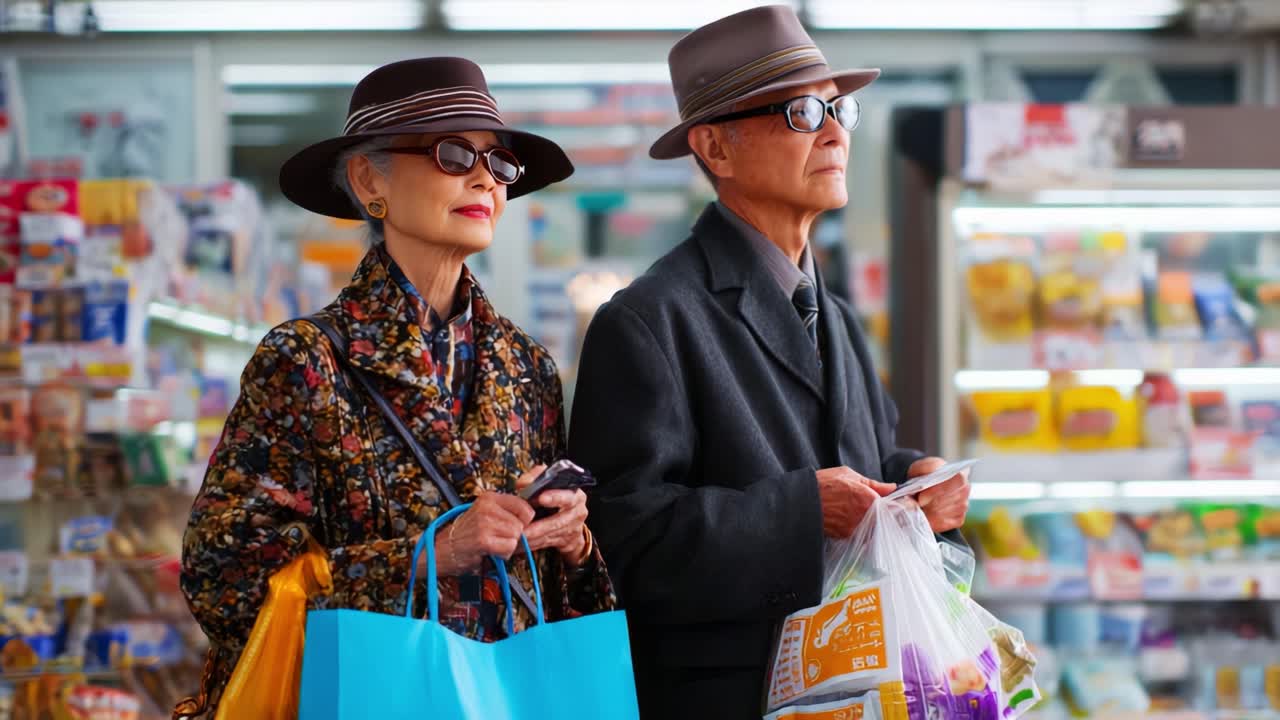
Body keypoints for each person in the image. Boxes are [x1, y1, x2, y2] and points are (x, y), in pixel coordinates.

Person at [177, 57, 615, 717]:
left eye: (498, 163)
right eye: (451, 152)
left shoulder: (527, 365)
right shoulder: (306, 360)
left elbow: (558, 591)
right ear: (367, 180)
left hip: (508, 698)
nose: (482, 177)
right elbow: (224, 575)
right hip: (368, 695)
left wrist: (573, 540)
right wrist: (427, 555)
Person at [567, 6, 971, 718]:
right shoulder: (649, 319)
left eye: (838, 107)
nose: (835, 131)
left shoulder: (836, 315)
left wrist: (917, 482)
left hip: (858, 689)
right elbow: (620, 543)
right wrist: (802, 512)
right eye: (801, 111)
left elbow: (857, 454)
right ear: (715, 150)